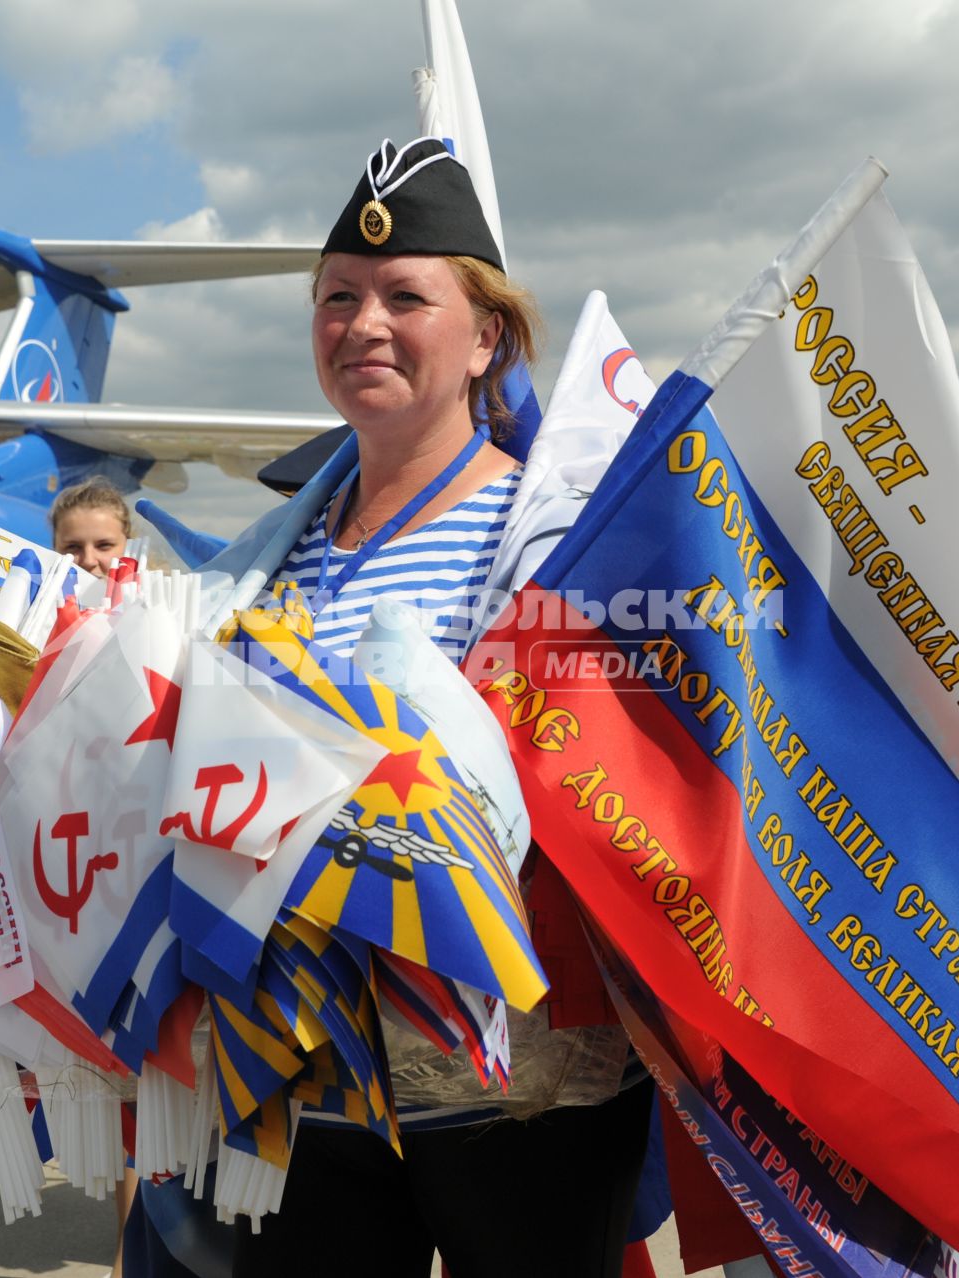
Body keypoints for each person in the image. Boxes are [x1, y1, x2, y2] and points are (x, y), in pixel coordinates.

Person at [215, 137, 652, 1278]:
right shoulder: (261, 561)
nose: (362, 323)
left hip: (519, 1080)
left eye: (406, 296)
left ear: (487, 337)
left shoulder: (567, 540)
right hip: (302, 1067)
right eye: (337, 298)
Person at [50, 477, 133, 577]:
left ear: (130, 546)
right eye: (73, 547)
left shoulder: (153, 590)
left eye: (104, 545)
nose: (88, 561)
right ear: (55, 548)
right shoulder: (31, 589)